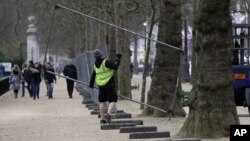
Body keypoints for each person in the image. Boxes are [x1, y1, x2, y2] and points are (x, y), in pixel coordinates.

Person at [89, 49, 122, 124]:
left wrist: (91, 84)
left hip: (101, 86)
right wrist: (118, 59)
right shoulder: (105, 62)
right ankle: (108, 113)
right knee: (113, 100)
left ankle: (102, 119)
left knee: (102, 102)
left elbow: (93, 75)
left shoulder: (95, 65)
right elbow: (115, 66)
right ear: (101, 54)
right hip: (109, 84)